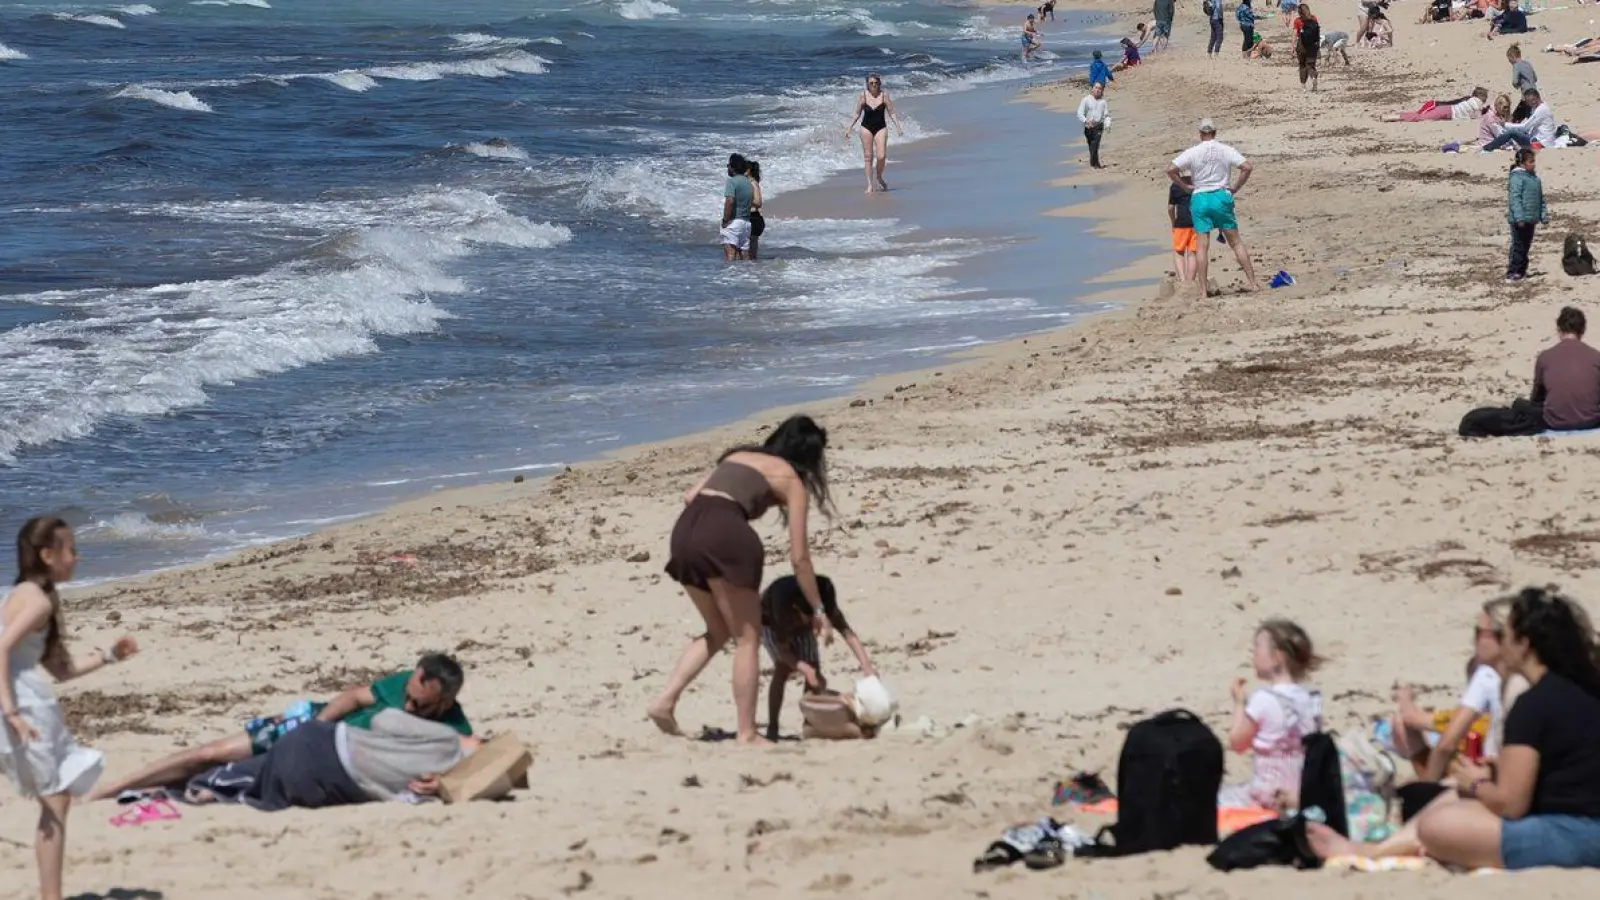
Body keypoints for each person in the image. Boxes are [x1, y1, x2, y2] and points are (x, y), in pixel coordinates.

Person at [647, 415, 833, 745]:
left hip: (685, 531)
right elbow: (800, 558)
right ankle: (746, 732)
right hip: (727, 535)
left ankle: (665, 701)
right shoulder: (790, 478)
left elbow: (691, 496)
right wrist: (818, 609)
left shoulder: (736, 456)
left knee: (718, 630)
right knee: (748, 638)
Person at [87, 653, 471, 802]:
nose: (407, 704)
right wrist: (313, 727)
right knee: (210, 754)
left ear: (446, 702)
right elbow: (353, 697)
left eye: (419, 705)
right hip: (312, 728)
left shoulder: (453, 726)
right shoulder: (407, 683)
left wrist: (440, 784)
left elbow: (476, 762)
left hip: (333, 763)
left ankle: (161, 790)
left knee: (218, 775)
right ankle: (111, 790)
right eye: (409, 693)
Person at [1410, 587, 1600, 870]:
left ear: (1524, 643)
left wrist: (1475, 781)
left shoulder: (1533, 704)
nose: (1501, 645)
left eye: (1504, 636)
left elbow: (1512, 806)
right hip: (1584, 824)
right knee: (1451, 805)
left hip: (1573, 834)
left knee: (1436, 825)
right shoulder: (1583, 690)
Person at [2, 517, 140, 900]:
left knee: (56, 797)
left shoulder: (25, 593)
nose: (78, 558)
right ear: (48, 555)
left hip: (19, 697)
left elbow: (60, 669)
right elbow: (0, 650)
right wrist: (12, 713)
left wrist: (110, 656)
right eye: (71, 550)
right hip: (18, 704)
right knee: (56, 797)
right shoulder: (37, 601)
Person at [187, 709, 481, 811]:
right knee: (266, 779)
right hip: (328, 791)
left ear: (478, 743)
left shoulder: (447, 739)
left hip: (321, 750)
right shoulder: (441, 785)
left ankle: (209, 786)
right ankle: (222, 793)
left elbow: (384, 720)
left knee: (272, 761)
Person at [1390, 601, 1507, 782]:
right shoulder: (1526, 678)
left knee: (1402, 725)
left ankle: (1428, 787)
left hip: (1490, 773)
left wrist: (1404, 699)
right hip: (1500, 766)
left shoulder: (1487, 676)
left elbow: (1446, 744)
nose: (1473, 640)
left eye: (1479, 633)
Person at [1220, 620, 1325, 811]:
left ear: (1276, 657)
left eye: (1257, 650)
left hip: (1267, 795)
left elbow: (1237, 743)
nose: (1253, 656)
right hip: (1301, 794)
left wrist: (1239, 703)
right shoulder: (1311, 699)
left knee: (1217, 798)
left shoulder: (1264, 699)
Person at [760, 575, 877, 741]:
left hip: (803, 612)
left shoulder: (823, 599)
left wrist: (867, 666)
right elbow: (783, 652)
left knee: (814, 669)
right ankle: (773, 726)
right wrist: (804, 669)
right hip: (770, 621)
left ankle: (811, 722)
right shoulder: (780, 607)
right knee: (783, 669)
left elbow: (848, 633)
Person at [1166, 119, 1263, 296]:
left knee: (1202, 247)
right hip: (1221, 195)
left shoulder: (1193, 152)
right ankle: (1253, 283)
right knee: (1235, 242)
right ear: (1215, 133)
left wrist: (1184, 186)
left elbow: (1171, 169)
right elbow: (1247, 167)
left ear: (1200, 134)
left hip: (1201, 198)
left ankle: (1203, 291)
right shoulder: (1225, 149)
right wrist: (1235, 187)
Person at [842, 74, 902, 194]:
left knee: (881, 156)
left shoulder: (884, 96)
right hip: (866, 128)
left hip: (881, 128)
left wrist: (898, 127)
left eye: (876, 83)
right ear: (867, 84)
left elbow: (892, 112)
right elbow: (857, 113)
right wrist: (849, 127)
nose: (874, 85)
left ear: (879, 84)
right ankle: (870, 185)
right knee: (868, 157)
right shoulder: (863, 96)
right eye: (871, 83)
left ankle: (879, 176)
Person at [1504, 148, 1547, 283]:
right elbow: (1515, 199)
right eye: (1530, 161)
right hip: (1519, 220)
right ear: (1522, 163)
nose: (1533, 164)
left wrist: (1543, 215)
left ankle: (1522, 271)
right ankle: (1513, 272)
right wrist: (1519, 217)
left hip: (1531, 218)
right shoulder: (1516, 178)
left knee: (1526, 245)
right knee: (1518, 245)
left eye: (1534, 161)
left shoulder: (1535, 179)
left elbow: (1541, 199)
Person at [1480, 88, 1556, 150]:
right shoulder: (1540, 107)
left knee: (1512, 133)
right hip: (1538, 140)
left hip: (1540, 144)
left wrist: (1505, 124)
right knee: (1516, 132)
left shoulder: (1541, 110)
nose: (1527, 104)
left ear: (1534, 100)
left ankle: (1486, 148)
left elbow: (1525, 127)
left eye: (1527, 102)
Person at [1378, 87, 1488, 122]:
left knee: (1420, 116)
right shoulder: (1476, 102)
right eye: (1485, 97)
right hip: (1447, 111)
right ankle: (1391, 117)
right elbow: (1479, 117)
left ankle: (1392, 115)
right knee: (1420, 117)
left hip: (1446, 109)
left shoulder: (1471, 101)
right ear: (1480, 96)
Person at [721, 153, 755, 261]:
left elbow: (730, 202)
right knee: (744, 256)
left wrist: (725, 220)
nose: (728, 168)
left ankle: (730, 277)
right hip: (746, 223)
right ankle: (745, 277)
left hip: (734, 222)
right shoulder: (748, 182)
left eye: (728, 165)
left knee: (729, 256)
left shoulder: (732, 181)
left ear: (733, 167)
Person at [1169, 175, 1199, 283]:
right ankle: (1190, 281)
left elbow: (1171, 208)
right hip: (1197, 222)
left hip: (1181, 222)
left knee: (1178, 252)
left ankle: (1182, 280)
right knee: (1193, 252)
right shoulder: (1198, 184)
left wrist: (1173, 222)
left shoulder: (1175, 186)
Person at [1076, 81, 1111, 170]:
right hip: (1088, 127)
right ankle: (1093, 163)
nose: (1097, 90)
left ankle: (1096, 164)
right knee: (1091, 146)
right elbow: (1079, 113)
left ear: (1102, 90)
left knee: (1096, 144)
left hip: (1099, 126)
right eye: (1096, 88)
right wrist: (1085, 121)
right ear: (1092, 88)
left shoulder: (1103, 102)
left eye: (1100, 89)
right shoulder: (1086, 100)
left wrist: (1107, 125)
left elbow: (1106, 115)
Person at [1294, 3, 1322, 90]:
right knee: (1311, 65)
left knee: (1302, 65)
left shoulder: (1297, 21)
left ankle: (1303, 86)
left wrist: (1292, 46)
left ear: (1299, 12)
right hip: (1313, 45)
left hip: (1301, 44)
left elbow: (1295, 34)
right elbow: (1317, 31)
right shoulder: (1314, 19)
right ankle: (1313, 77)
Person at [746, 160, 764, 262]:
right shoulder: (748, 183)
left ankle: (750, 273)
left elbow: (758, 202)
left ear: (748, 170)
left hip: (754, 218)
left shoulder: (753, 183)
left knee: (751, 254)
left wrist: (745, 198)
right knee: (749, 252)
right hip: (751, 218)